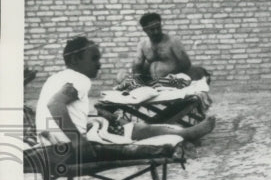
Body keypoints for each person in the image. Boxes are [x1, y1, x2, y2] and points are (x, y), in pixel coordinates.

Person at [35, 37, 215, 161]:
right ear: (75, 59)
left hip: (50, 143)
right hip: (70, 146)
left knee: (112, 121)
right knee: (134, 128)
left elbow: (54, 109)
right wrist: (77, 140)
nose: (99, 63)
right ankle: (186, 134)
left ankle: (183, 132)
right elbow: (55, 104)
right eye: (94, 58)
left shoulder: (55, 78)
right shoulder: (80, 79)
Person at [131, 12, 207, 83]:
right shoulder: (143, 44)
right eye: (152, 29)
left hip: (175, 79)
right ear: (145, 30)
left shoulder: (172, 41)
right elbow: (137, 65)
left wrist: (170, 74)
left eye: (158, 28)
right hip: (154, 81)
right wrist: (137, 77)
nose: (156, 32)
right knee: (122, 76)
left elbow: (186, 64)